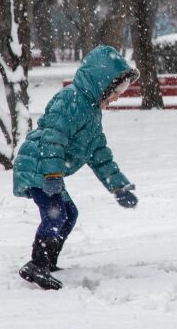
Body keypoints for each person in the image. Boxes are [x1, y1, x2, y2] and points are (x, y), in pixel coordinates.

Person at [12, 45, 141, 290]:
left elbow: (100, 155)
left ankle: (48, 261)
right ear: (101, 83)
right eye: (117, 90)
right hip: (38, 166)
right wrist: (51, 174)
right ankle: (36, 264)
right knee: (55, 214)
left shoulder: (91, 114)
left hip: (50, 171)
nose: (118, 96)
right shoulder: (70, 99)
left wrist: (118, 186)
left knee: (69, 214)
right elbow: (53, 138)